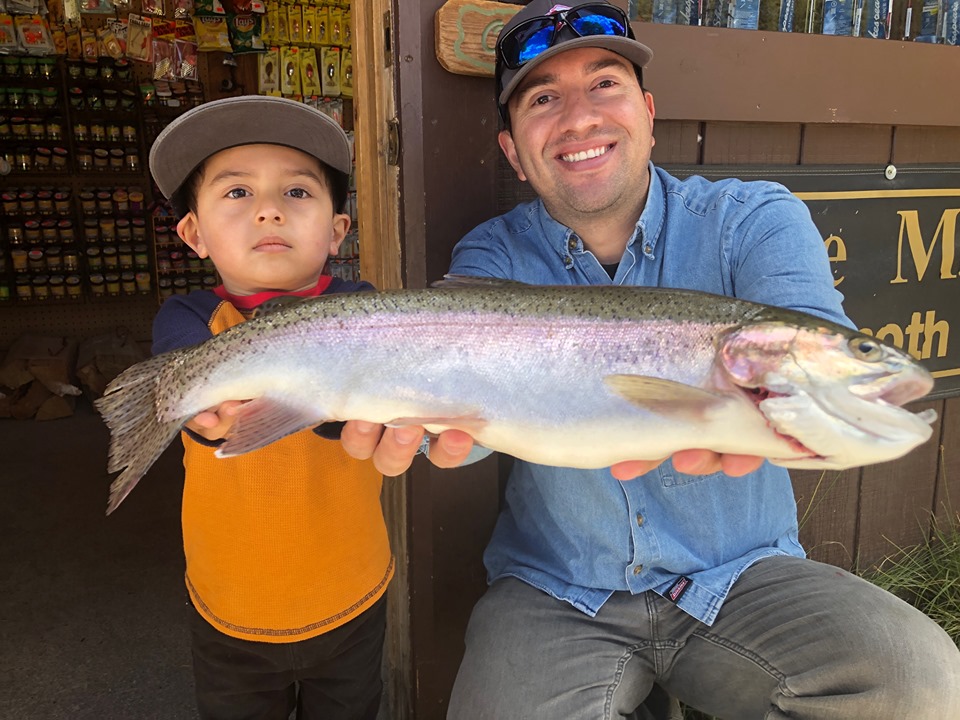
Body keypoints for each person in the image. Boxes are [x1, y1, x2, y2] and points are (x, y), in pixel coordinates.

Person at [342, 1, 960, 718]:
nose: (579, 118)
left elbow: (813, 332)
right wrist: (440, 437)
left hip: (744, 576)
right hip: (557, 587)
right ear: (512, 148)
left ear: (648, 112)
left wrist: (817, 395)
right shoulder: (492, 258)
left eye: (605, 84)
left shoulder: (753, 216)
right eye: (543, 99)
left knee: (922, 680)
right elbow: (478, 432)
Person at [148, 96, 392, 720]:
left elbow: (346, 420)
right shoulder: (190, 320)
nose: (268, 208)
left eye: (298, 192)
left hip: (352, 598)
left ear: (337, 232)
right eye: (235, 193)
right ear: (193, 234)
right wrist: (211, 417)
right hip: (229, 610)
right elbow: (198, 415)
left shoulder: (361, 305)